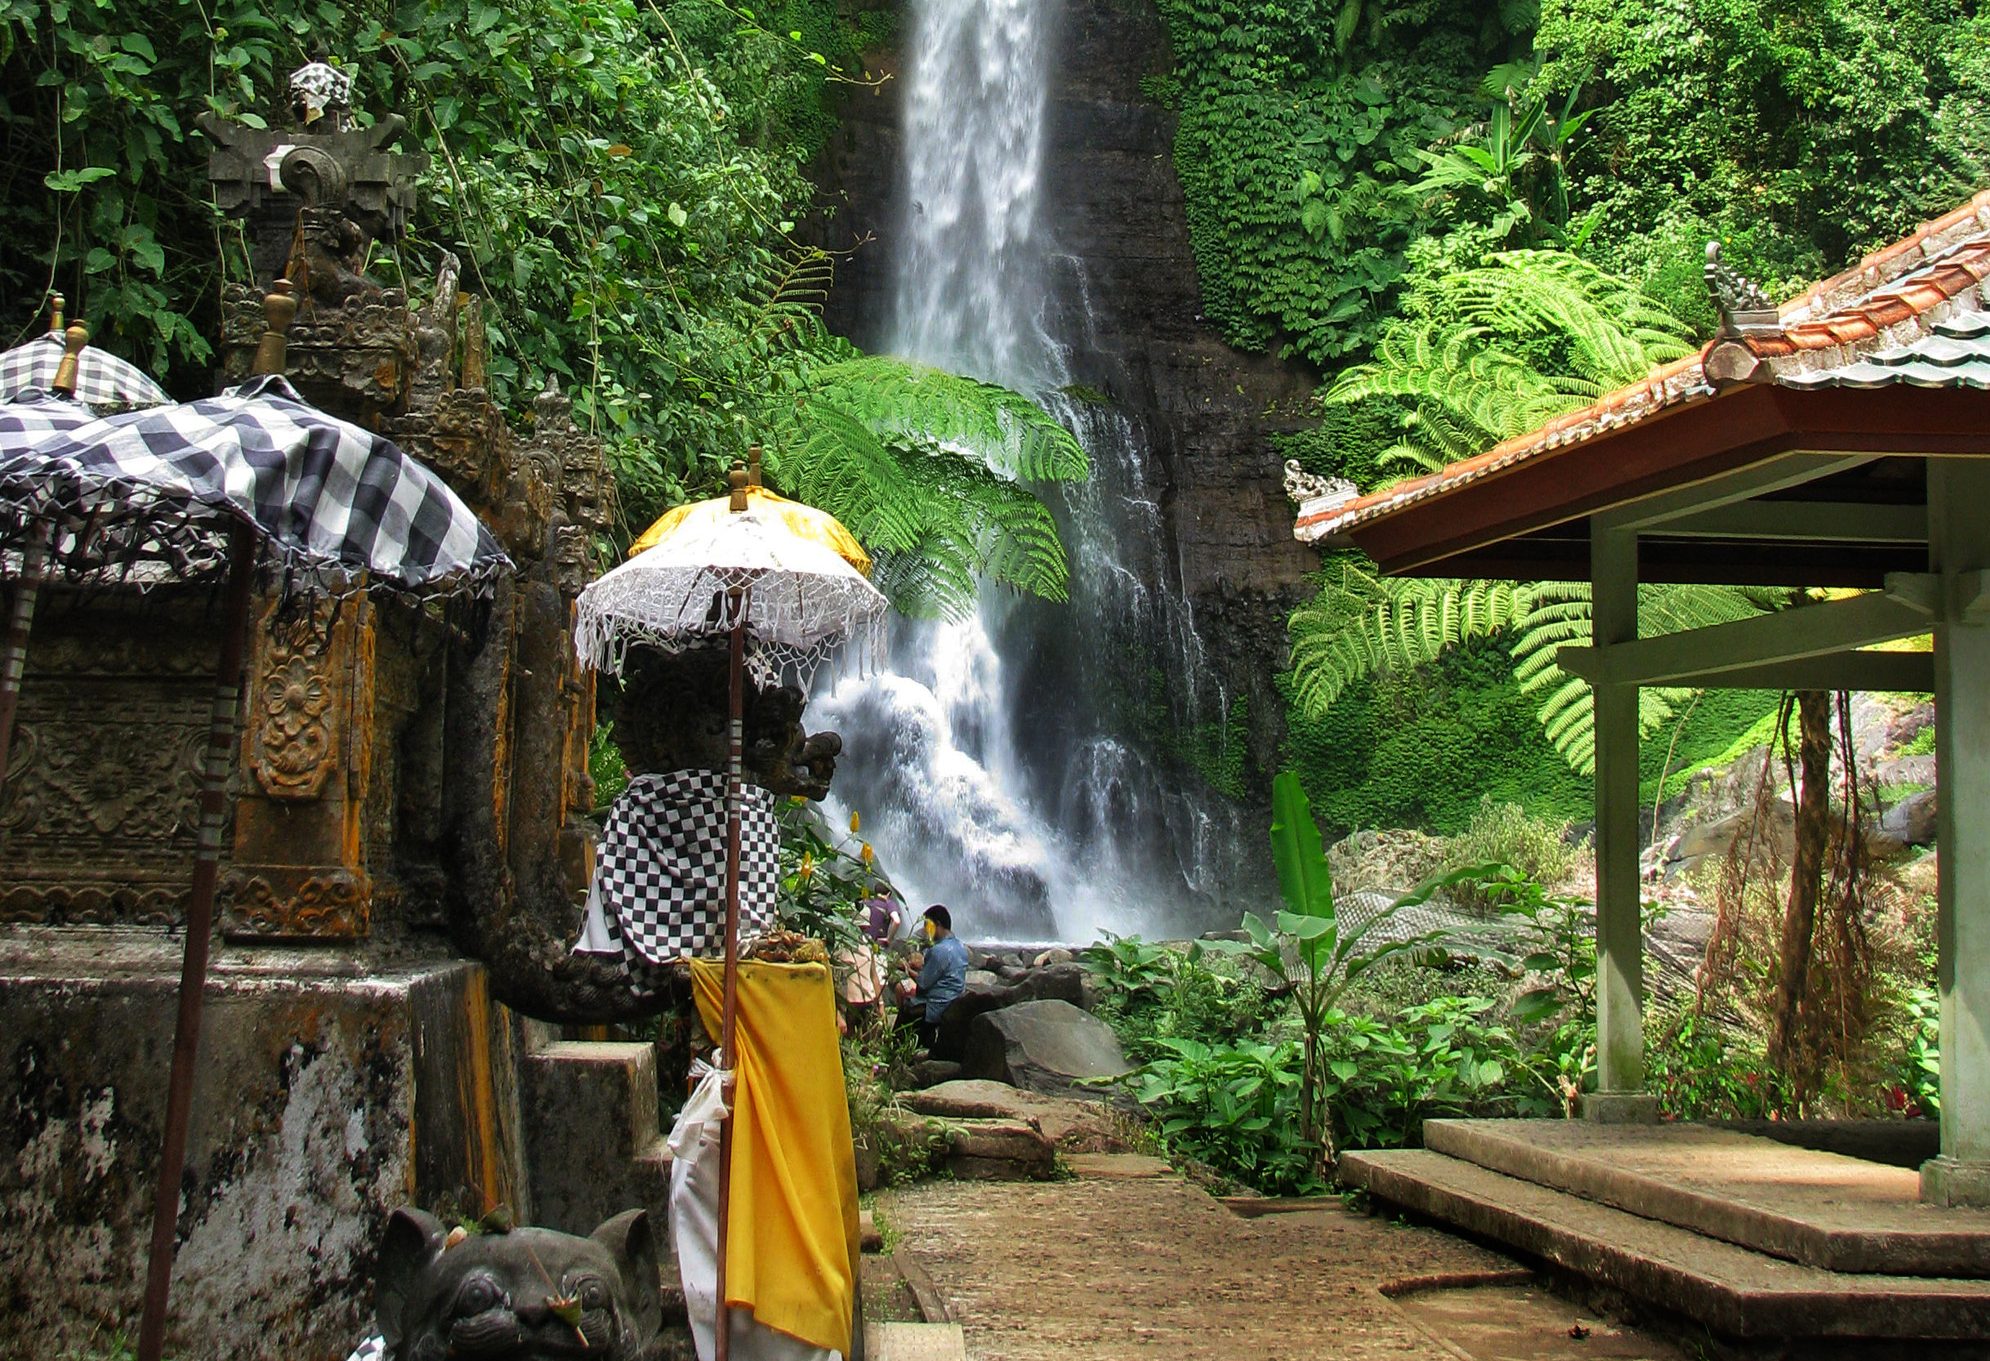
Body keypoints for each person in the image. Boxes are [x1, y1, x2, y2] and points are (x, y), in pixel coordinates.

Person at [896, 904, 967, 1051]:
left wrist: (907, 970)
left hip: (935, 1005)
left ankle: (896, 1050)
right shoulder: (960, 946)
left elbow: (923, 984)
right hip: (954, 999)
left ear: (938, 925)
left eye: (927, 926)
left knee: (906, 1007)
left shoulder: (938, 950)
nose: (925, 931)